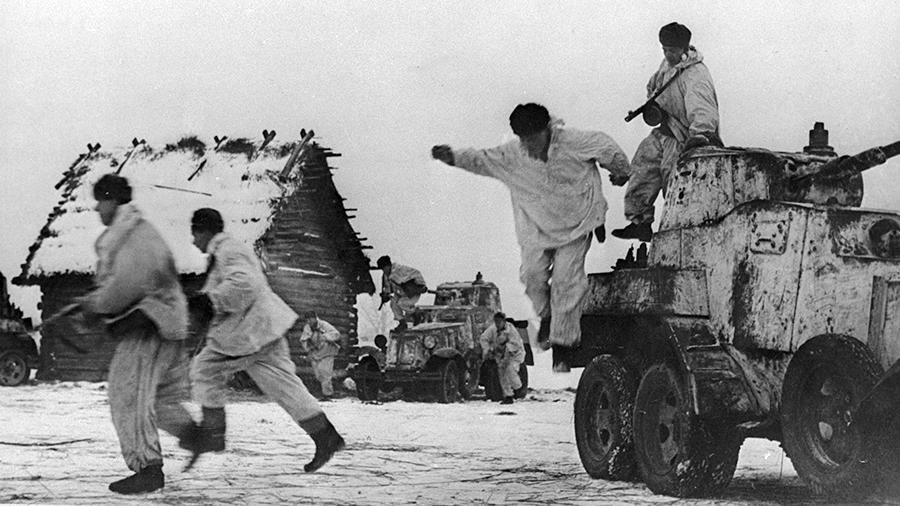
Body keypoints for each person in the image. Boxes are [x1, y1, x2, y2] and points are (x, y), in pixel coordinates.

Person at [431, 103, 631, 370]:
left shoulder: (574, 142)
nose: (530, 147)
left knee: (565, 281)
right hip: (536, 229)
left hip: (578, 223)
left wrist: (620, 171)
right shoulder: (513, 155)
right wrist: (453, 157)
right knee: (532, 277)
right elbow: (481, 159)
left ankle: (563, 345)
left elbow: (606, 147)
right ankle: (547, 316)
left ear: (547, 130)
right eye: (524, 141)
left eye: (534, 140)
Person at [187, 208, 345, 473]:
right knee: (286, 386)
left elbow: (244, 285)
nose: (193, 242)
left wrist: (210, 301)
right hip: (265, 331)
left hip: (248, 334)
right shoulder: (229, 250)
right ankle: (326, 436)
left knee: (204, 369)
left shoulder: (227, 250)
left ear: (203, 231)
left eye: (195, 234)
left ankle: (214, 433)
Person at [75, 174, 199, 494]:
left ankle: (148, 468)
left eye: (100, 201)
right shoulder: (134, 232)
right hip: (163, 323)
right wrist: (96, 302)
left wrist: (94, 305)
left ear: (113, 200)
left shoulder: (132, 235)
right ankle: (195, 435)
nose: (97, 208)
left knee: (127, 394)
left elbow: (125, 286)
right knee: (156, 397)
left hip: (150, 325)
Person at [612, 22, 721, 243]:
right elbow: (654, 86)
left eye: (672, 50)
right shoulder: (667, 65)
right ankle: (640, 223)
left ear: (684, 48)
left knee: (674, 186)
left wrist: (700, 135)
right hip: (663, 131)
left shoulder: (696, 75)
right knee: (642, 167)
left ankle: (678, 233)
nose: (667, 54)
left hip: (683, 139)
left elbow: (703, 109)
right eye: (664, 49)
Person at [479, 312, 526, 404]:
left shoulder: (511, 330)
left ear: (504, 321)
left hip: (514, 355)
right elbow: (484, 338)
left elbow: (516, 344)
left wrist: (504, 347)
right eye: (496, 321)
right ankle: (508, 396)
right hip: (501, 356)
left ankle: (518, 388)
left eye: (499, 321)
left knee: (510, 370)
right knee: (502, 375)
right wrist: (487, 349)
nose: (497, 324)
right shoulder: (492, 329)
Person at [298, 311, 342, 400]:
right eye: (307, 320)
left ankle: (327, 394)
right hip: (316, 352)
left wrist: (325, 337)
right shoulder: (307, 327)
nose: (309, 321)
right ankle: (325, 391)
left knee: (325, 372)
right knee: (318, 375)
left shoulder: (324, 325)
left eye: (311, 319)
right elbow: (304, 339)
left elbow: (336, 334)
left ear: (315, 318)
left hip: (327, 351)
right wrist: (308, 346)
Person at [377, 255, 427, 330]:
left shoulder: (401, 269)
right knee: (393, 304)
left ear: (388, 265)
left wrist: (421, 285)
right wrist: (386, 295)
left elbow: (416, 273)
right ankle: (402, 323)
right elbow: (388, 288)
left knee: (402, 303)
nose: (383, 271)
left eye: (384, 268)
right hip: (400, 294)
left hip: (412, 293)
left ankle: (416, 315)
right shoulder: (386, 276)